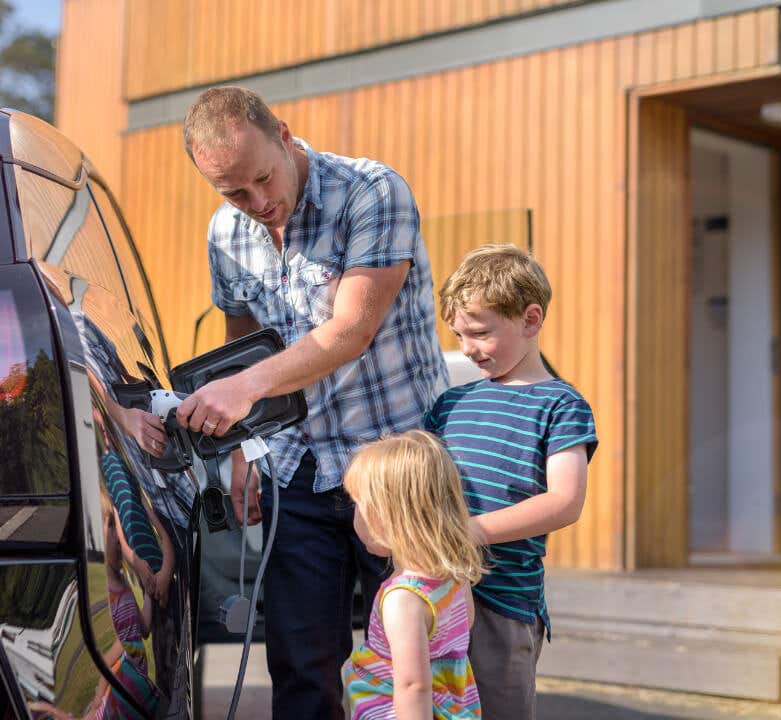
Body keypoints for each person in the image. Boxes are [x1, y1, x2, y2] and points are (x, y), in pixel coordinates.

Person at [175, 85, 450, 720]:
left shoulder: (373, 192)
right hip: (295, 467)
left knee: (411, 664)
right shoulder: (227, 233)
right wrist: (242, 447)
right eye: (234, 193)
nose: (258, 203)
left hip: (396, 465)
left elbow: (351, 331)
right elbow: (240, 350)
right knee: (300, 669)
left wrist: (245, 391)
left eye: (263, 179)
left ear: (285, 132)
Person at [422, 244, 598, 720]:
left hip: (501, 603)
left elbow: (564, 502)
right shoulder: (449, 404)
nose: (467, 348)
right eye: (458, 334)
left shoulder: (561, 406)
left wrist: (470, 533)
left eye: (480, 333)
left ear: (531, 319)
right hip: (434, 596)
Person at [341, 430, 484, 720]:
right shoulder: (454, 573)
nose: (353, 513)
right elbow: (463, 625)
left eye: (357, 504)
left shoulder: (403, 598)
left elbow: (412, 685)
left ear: (387, 516)